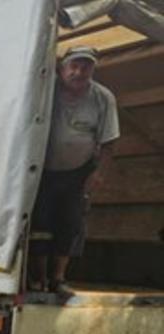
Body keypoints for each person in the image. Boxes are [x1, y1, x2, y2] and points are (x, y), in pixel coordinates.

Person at [30, 46, 120, 296]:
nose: (79, 72)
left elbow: (109, 141)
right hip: (42, 171)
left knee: (70, 223)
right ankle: (38, 278)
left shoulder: (103, 97)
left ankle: (58, 279)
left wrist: (98, 174)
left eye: (86, 67)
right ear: (62, 69)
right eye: (75, 66)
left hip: (77, 171)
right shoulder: (45, 91)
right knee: (39, 224)